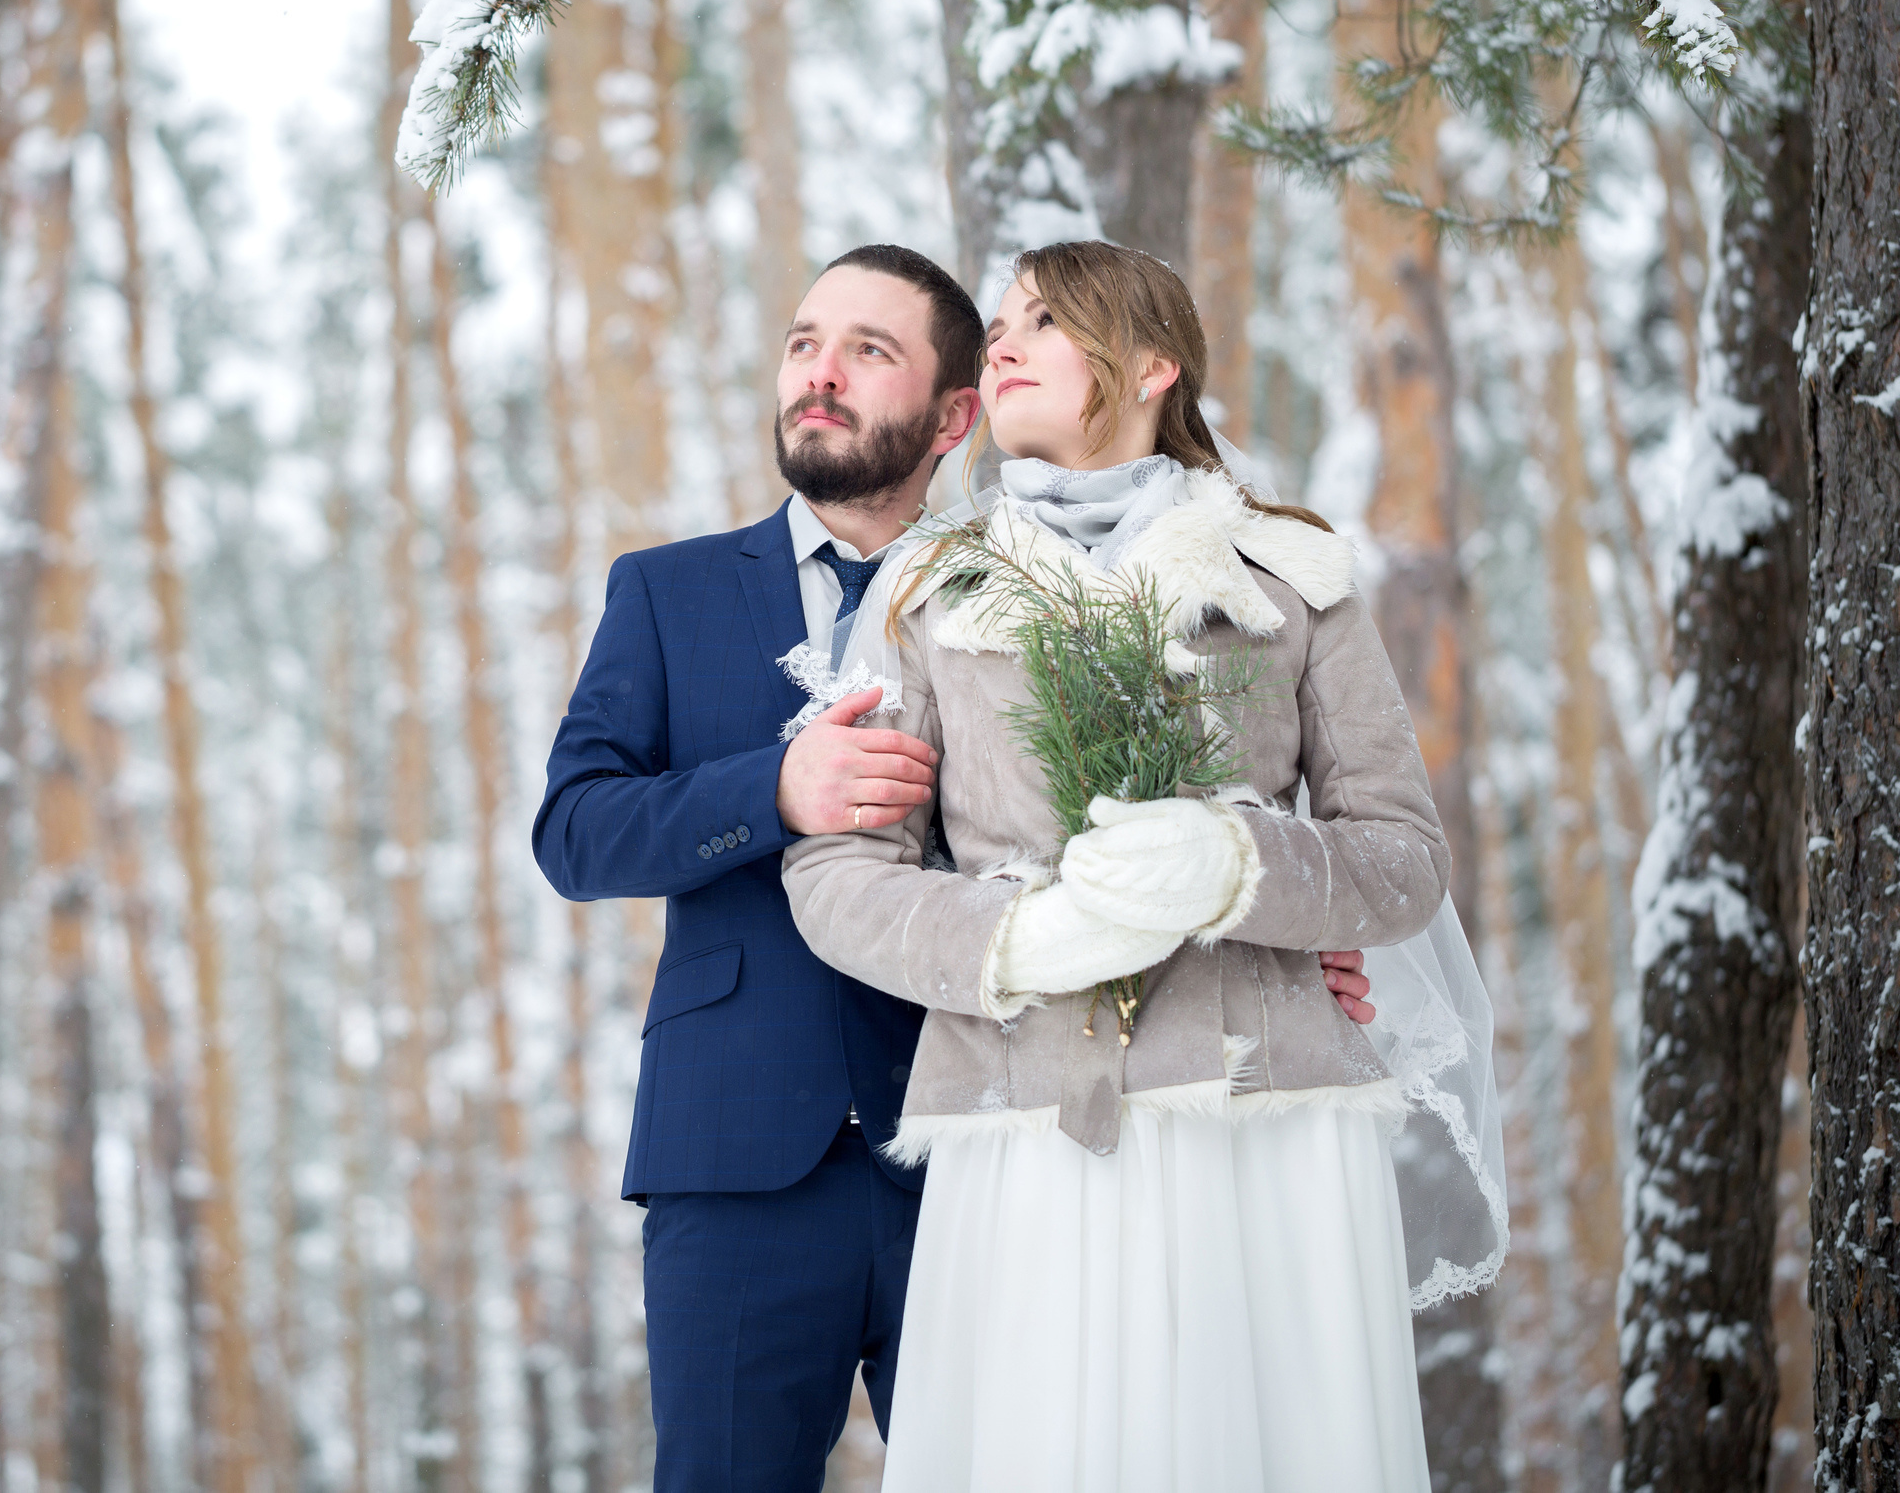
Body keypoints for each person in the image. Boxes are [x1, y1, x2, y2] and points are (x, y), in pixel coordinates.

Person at [531, 243, 1385, 1492]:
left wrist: (1264, 919)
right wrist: (767, 792)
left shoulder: (1033, 581)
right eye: (804, 344)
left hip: (1004, 1134)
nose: (818, 375)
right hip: (739, 1161)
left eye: (868, 352)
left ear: (953, 414)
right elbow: (575, 832)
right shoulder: (666, 595)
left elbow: (1128, 814)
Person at [781, 239, 1505, 1493]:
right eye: (997, 323)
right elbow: (838, 876)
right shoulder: (927, 588)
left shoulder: (1291, 571)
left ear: (1154, 362)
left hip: (1266, 1126)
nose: (999, 343)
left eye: (1044, 321)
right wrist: (1013, 944)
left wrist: (1235, 865)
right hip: (1024, 1124)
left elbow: (1398, 861)